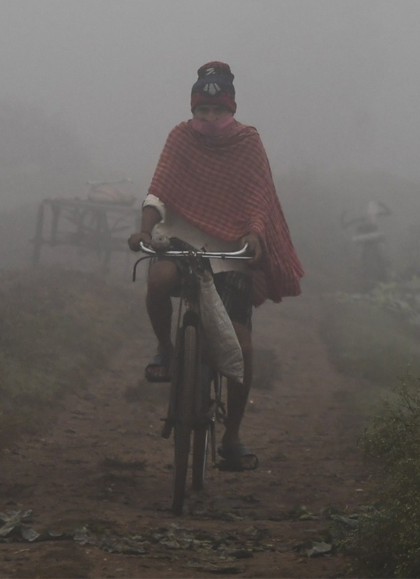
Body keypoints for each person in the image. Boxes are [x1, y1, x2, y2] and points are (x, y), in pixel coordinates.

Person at [127, 61, 304, 472]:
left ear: (232, 109)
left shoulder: (248, 143)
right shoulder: (179, 138)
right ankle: (167, 351)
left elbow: (258, 200)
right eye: (201, 111)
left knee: (240, 347)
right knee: (159, 280)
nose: (209, 119)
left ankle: (233, 436)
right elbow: (158, 191)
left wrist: (255, 235)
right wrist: (144, 230)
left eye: (217, 111)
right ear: (192, 110)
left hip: (230, 251)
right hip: (180, 242)